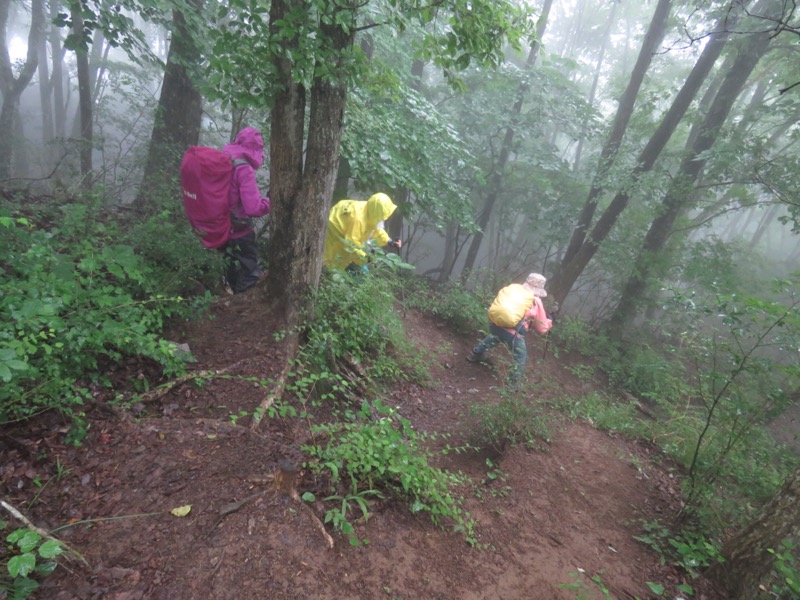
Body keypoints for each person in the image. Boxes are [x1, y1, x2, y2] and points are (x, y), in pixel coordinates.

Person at [467, 272, 554, 386]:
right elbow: (542, 328)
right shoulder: (535, 300)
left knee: (496, 337)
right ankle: (512, 382)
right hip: (513, 333)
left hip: (494, 324)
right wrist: (550, 321)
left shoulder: (514, 288)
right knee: (520, 355)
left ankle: (475, 354)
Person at [220, 127, 271, 294]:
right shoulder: (244, 169)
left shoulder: (223, 161)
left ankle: (231, 302)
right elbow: (253, 208)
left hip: (222, 229)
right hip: (240, 232)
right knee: (249, 274)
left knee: (232, 270)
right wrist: (271, 201)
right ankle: (239, 310)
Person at [323, 193, 402, 275]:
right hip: (335, 230)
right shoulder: (358, 220)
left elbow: (377, 229)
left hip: (346, 229)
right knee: (333, 260)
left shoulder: (371, 210)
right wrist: (366, 258)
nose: (383, 219)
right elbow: (351, 244)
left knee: (348, 262)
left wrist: (389, 241)